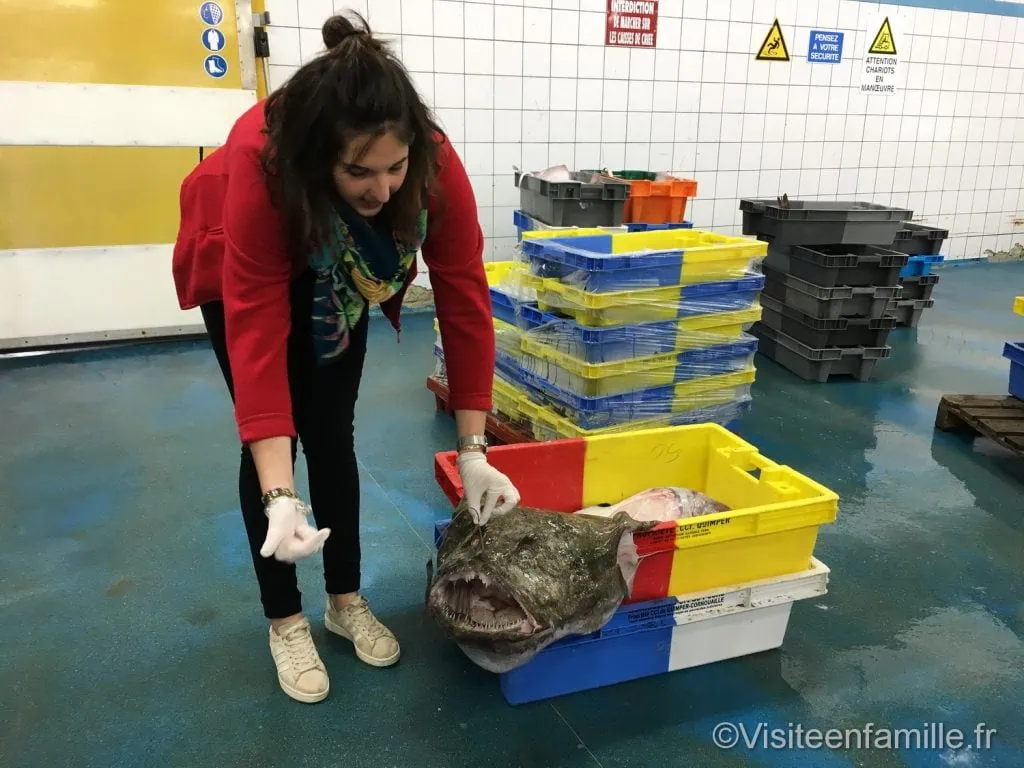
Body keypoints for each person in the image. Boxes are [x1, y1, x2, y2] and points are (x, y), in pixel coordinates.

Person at [171, 12, 521, 704]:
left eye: (395, 169)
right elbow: (257, 329)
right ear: (321, 156)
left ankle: (344, 598)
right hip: (246, 250)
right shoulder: (263, 161)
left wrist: (474, 447)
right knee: (274, 443)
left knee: (332, 429)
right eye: (361, 171)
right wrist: (280, 494)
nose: (384, 188)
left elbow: (464, 298)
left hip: (343, 264)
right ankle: (285, 620)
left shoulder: (432, 162)